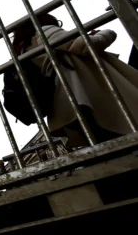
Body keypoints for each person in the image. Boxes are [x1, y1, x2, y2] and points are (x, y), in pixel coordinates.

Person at [11, 13, 138, 148]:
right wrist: (106, 33)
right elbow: (87, 45)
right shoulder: (44, 31)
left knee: (111, 144)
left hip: (65, 103)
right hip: (82, 95)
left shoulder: (24, 49)